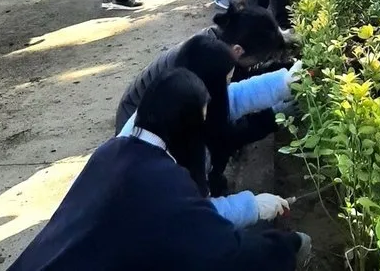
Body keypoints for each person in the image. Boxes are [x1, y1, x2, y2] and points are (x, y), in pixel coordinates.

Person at [9, 68, 311, 271]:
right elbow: (221, 250)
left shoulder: (113, 152)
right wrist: (287, 247)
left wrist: (280, 85)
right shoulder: (162, 182)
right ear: (187, 127)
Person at [115, 35, 300, 222]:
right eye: (223, 82)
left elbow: (231, 99)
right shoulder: (164, 160)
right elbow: (193, 216)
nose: (227, 87)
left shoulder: (172, 100)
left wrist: (284, 82)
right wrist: (252, 208)